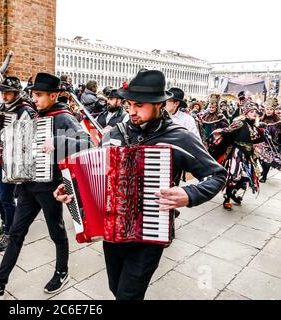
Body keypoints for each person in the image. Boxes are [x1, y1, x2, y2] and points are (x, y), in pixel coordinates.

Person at [54, 69, 227, 300]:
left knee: (128, 295)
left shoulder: (180, 137)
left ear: (159, 104)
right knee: (116, 289)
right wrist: (72, 190)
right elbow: (94, 176)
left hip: (149, 234)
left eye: (140, 105)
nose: (132, 111)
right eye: (130, 104)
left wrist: (189, 194)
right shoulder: (114, 135)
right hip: (112, 230)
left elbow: (217, 175)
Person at [0, 73, 89, 299]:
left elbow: (86, 143)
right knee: (15, 233)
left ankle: (62, 271)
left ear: (54, 95)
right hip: (27, 186)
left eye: (40, 95)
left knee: (57, 232)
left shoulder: (63, 117)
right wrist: (4, 153)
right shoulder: (34, 116)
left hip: (50, 187)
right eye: (33, 94)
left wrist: (57, 142)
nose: (35, 99)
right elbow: (22, 147)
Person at [0, 77, 36, 252]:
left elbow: (28, 139)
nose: (4, 96)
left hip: (11, 162)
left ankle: (10, 232)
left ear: (17, 93)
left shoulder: (25, 110)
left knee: (7, 198)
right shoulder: (0, 107)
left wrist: (4, 147)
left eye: (8, 92)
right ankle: (6, 219)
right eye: (2, 92)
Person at [211, 102, 267, 211]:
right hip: (237, 153)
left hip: (248, 154)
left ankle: (232, 193)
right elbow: (228, 131)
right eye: (251, 112)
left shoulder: (254, 125)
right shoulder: (240, 122)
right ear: (246, 113)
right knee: (234, 175)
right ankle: (227, 199)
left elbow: (256, 139)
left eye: (255, 112)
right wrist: (218, 133)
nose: (254, 114)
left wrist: (261, 131)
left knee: (247, 177)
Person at [257, 98, 281, 182]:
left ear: (274, 110)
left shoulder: (278, 121)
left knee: (267, 161)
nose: (269, 111)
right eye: (267, 109)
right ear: (265, 109)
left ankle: (264, 176)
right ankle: (263, 171)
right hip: (261, 144)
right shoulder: (260, 120)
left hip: (272, 144)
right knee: (261, 160)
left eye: (271, 109)